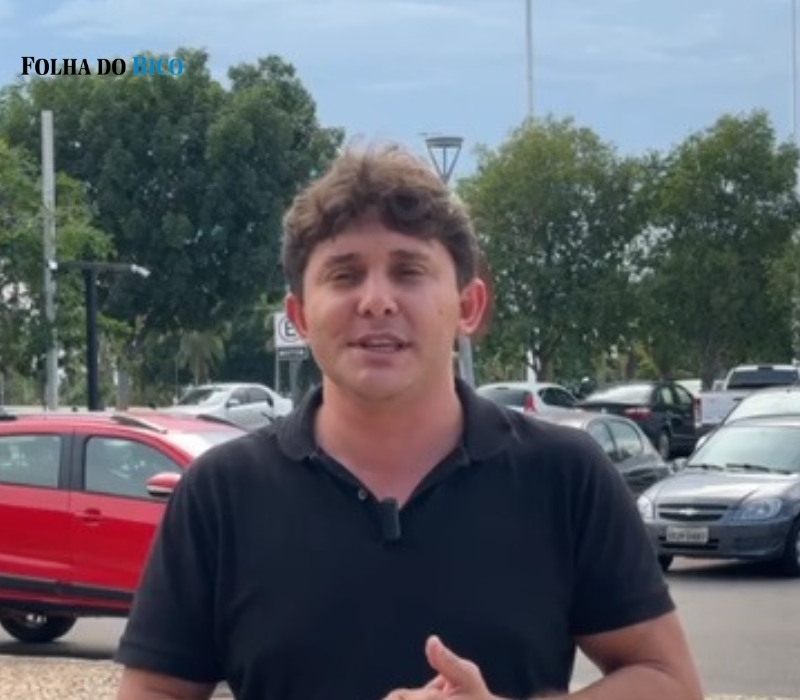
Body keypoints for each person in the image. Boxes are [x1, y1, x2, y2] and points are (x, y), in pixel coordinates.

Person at [114, 143, 704, 700]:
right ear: (300, 316)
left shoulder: (564, 475)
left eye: (409, 271)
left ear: (468, 306)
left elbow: (667, 682)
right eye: (344, 274)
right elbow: (155, 690)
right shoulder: (222, 493)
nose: (376, 300)